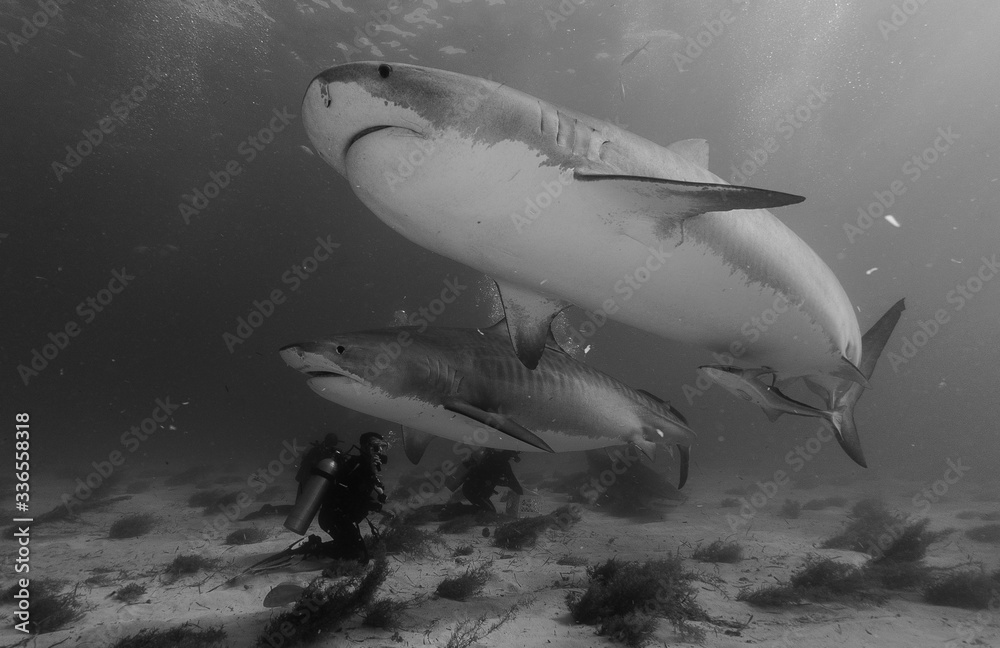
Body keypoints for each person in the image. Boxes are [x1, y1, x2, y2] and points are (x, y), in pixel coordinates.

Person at [294, 431, 388, 563]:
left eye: (383, 447)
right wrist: (374, 506)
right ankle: (312, 548)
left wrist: (378, 499)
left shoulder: (368, 469)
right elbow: (345, 495)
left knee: (355, 553)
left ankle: (321, 546)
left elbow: (363, 493)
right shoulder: (356, 465)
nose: (380, 451)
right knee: (359, 557)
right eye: (376, 447)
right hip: (333, 517)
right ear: (365, 447)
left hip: (343, 518)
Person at [459, 448, 523, 513]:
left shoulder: (490, 456)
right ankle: (459, 510)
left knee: (488, 510)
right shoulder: (504, 465)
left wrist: (505, 483)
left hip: (470, 488)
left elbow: (488, 477)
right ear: (511, 454)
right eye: (514, 456)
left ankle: (461, 511)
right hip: (476, 491)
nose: (513, 458)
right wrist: (520, 493)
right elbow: (512, 481)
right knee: (490, 512)